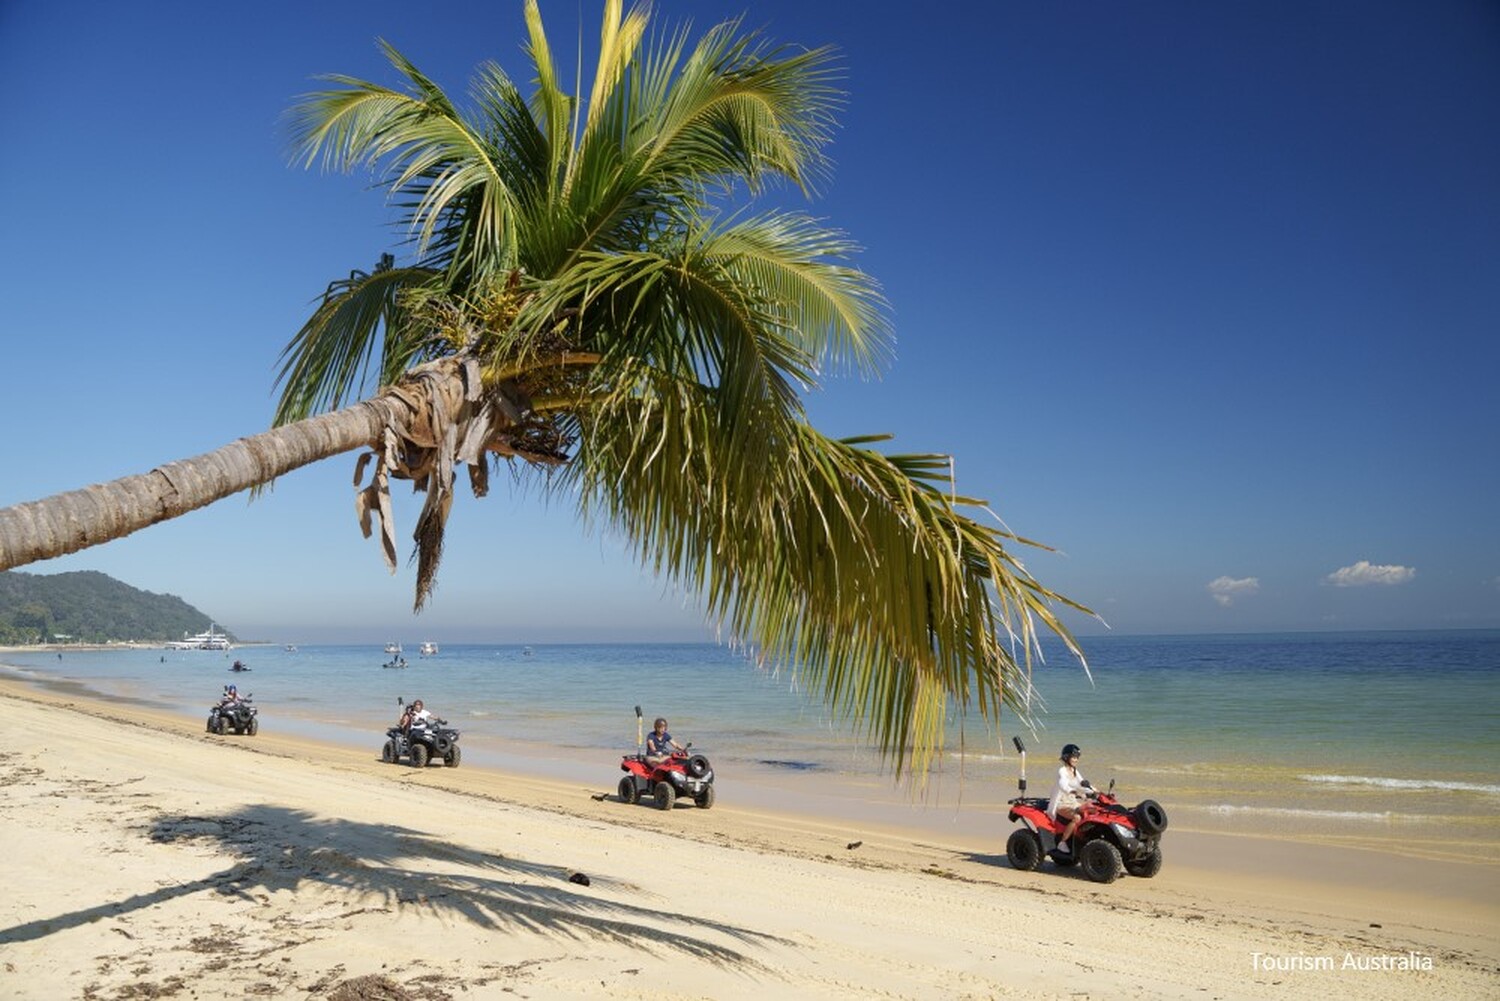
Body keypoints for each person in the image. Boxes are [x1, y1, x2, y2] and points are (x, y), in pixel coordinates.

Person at [1047, 743, 1094, 854]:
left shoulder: (1075, 771)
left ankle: (1082, 839)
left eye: (1077, 757)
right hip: (1061, 802)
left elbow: (1083, 783)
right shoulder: (1062, 771)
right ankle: (1062, 842)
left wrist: (1095, 791)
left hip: (1072, 801)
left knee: (1093, 810)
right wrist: (1071, 790)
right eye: (1074, 757)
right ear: (1066, 757)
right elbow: (1063, 783)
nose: (1076, 760)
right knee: (1077, 817)